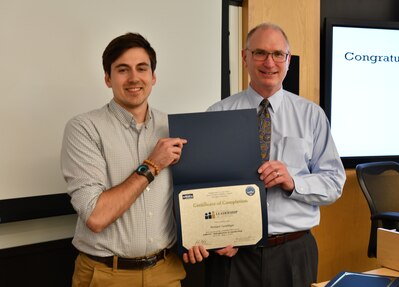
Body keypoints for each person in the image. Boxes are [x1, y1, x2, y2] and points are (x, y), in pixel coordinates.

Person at [184, 23, 346, 287]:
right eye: (259, 53)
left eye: (277, 54)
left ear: (288, 60)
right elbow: (204, 188)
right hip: (233, 255)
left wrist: (294, 182)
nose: (269, 62)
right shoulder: (216, 115)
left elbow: (334, 183)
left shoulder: (312, 115)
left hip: (292, 251)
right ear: (244, 57)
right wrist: (214, 236)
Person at [61, 32, 187, 287]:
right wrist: (153, 164)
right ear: (108, 78)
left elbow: (189, 198)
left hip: (166, 272)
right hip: (106, 275)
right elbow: (96, 216)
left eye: (142, 68)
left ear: (153, 77)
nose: (133, 78)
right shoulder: (84, 128)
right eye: (122, 70)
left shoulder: (173, 127)